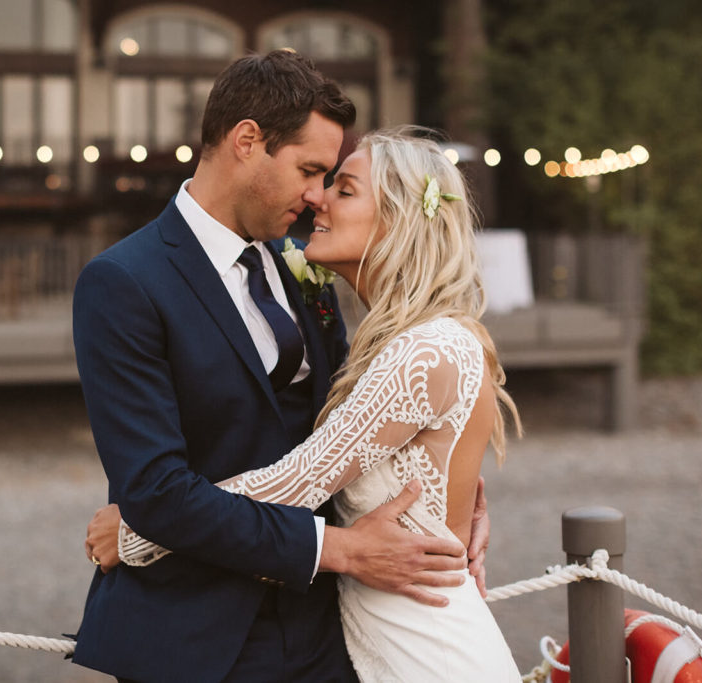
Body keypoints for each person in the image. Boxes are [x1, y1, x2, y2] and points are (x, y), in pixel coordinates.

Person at [71, 50, 488, 682]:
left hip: (328, 631)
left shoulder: (304, 266)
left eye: (334, 180)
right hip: (195, 634)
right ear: (247, 142)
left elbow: (356, 430)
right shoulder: (124, 282)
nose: (317, 195)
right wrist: (338, 549)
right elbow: (155, 489)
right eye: (311, 170)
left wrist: (451, 497)